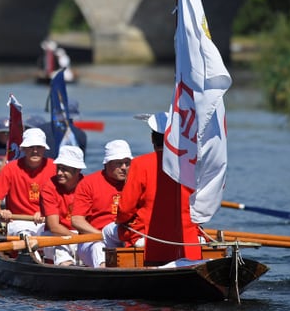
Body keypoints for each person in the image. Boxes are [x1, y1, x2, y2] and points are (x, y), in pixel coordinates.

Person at [116, 112, 203, 266]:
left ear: (152, 138)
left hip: (152, 243)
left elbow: (125, 208)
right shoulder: (191, 163)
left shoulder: (140, 164)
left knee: (111, 232)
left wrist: (120, 221)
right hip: (189, 243)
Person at [71, 139, 134, 267]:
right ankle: (105, 274)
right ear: (107, 163)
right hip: (93, 239)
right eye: (119, 163)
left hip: (126, 237)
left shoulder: (135, 182)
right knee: (97, 247)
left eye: (127, 163)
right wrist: (100, 235)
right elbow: (77, 220)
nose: (123, 168)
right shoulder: (88, 183)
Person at [0, 128, 57, 236]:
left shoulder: (56, 168)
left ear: (44, 148)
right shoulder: (9, 169)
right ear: (23, 149)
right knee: (25, 236)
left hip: (50, 221)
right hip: (17, 222)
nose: (35, 151)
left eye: (38, 147)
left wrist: (47, 214)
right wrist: (1, 213)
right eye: (31, 147)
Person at [39, 145, 86, 266]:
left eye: (64, 169)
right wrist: (77, 240)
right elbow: (54, 227)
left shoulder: (88, 186)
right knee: (61, 247)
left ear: (77, 170)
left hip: (83, 235)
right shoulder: (49, 187)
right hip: (56, 235)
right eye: (58, 168)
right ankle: (67, 266)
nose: (59, 173)